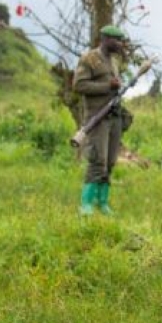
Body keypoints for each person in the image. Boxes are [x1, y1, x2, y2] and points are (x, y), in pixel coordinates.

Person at [72, 25, 129, 215]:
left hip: (114, 117)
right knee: (97, 160)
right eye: (117, 40)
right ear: (105, 39)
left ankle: (102, 202)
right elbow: (79, 85)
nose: (120, 43)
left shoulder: (113, 61)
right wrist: (107, 86)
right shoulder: (89, 58)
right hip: (97, 118)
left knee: (111, 161)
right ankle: (86, 204)